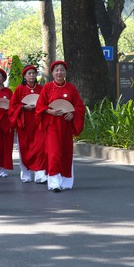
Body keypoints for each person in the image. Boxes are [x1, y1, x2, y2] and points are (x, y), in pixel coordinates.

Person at [35, 61, 85, 192]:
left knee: (65, 153)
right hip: (52, 126)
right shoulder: (47, 88)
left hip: (66, 126)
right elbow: (40, 106)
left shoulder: (71, 88)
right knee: (54, 153)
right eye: (56, 70)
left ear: (65, 72)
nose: (59, 73)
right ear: (52, 73)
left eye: (62, 70)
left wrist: (72, 113)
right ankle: (54, 182)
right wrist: (49, 111)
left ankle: (66, 181)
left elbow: (79, 107)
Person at [9, 65, 46, 183]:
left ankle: (40, 173)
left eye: (33, 73)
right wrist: (23, 107)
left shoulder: (41, 89)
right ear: (24, 76)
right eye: (29, 73)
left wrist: (39, 107)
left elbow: (47, 103)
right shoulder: (20, 89)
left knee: (40, 148)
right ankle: (25, 172)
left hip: (38, 122)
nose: (31, 75)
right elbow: (12, 106)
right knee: (24, 148)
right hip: (24, 123)